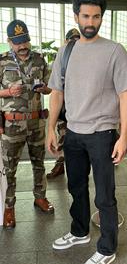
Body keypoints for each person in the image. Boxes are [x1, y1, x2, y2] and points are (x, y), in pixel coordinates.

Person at [47, 0, 127, 264]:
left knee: (105, 196)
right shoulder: (66, 51)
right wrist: (51, 128)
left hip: (102, 134)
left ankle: (107, 248)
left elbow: (125, 95)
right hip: (73, 134)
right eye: (85, 16)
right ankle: (80, 231)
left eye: (96, 16)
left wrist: (123, 137)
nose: (91, 22)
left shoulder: (115, 51)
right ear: (76, 17)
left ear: (101, 18)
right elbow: (56, 92)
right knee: (76, 188)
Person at [0, 19, 54, 229]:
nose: (22, 46)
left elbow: (52, 87)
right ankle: (9, 207)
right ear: (9, 41)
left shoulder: (40, 60)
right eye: (17, 43)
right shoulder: (2, 62)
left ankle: (40, 197)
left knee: (39, 164)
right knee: (9, 168)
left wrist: (45, 89)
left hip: (36, 122)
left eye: (25, 41)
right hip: (12, 125)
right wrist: (7, 92)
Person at [46, 28, 80, 179]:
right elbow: (55, 89)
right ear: (66, 41)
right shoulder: (62, 56)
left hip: (80, 111)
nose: (74, 42)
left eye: (77, 39)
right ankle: (60, 164)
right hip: (63, 108)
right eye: (72, 39)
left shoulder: (85, 56)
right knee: (62, 137)